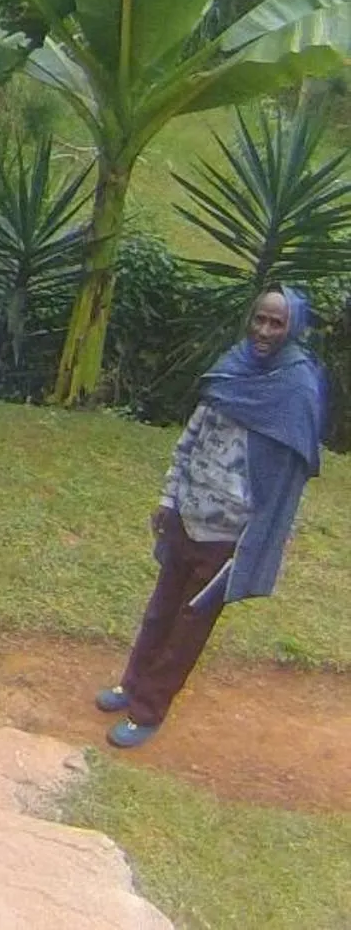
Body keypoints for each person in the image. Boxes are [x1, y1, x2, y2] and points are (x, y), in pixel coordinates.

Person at [97, 285, 326, 748]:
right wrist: (168, 499)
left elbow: (287, 483)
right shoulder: (232, 368)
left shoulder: (295, 389)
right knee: (160, 610)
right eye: (258, 319)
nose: (263, 331)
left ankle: (147, 711)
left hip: (228, 538)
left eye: (275, 323)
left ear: (292, 328)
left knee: (188, 625)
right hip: (187, 515)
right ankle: (131, 684)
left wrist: (259, 542)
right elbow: (191, 439)